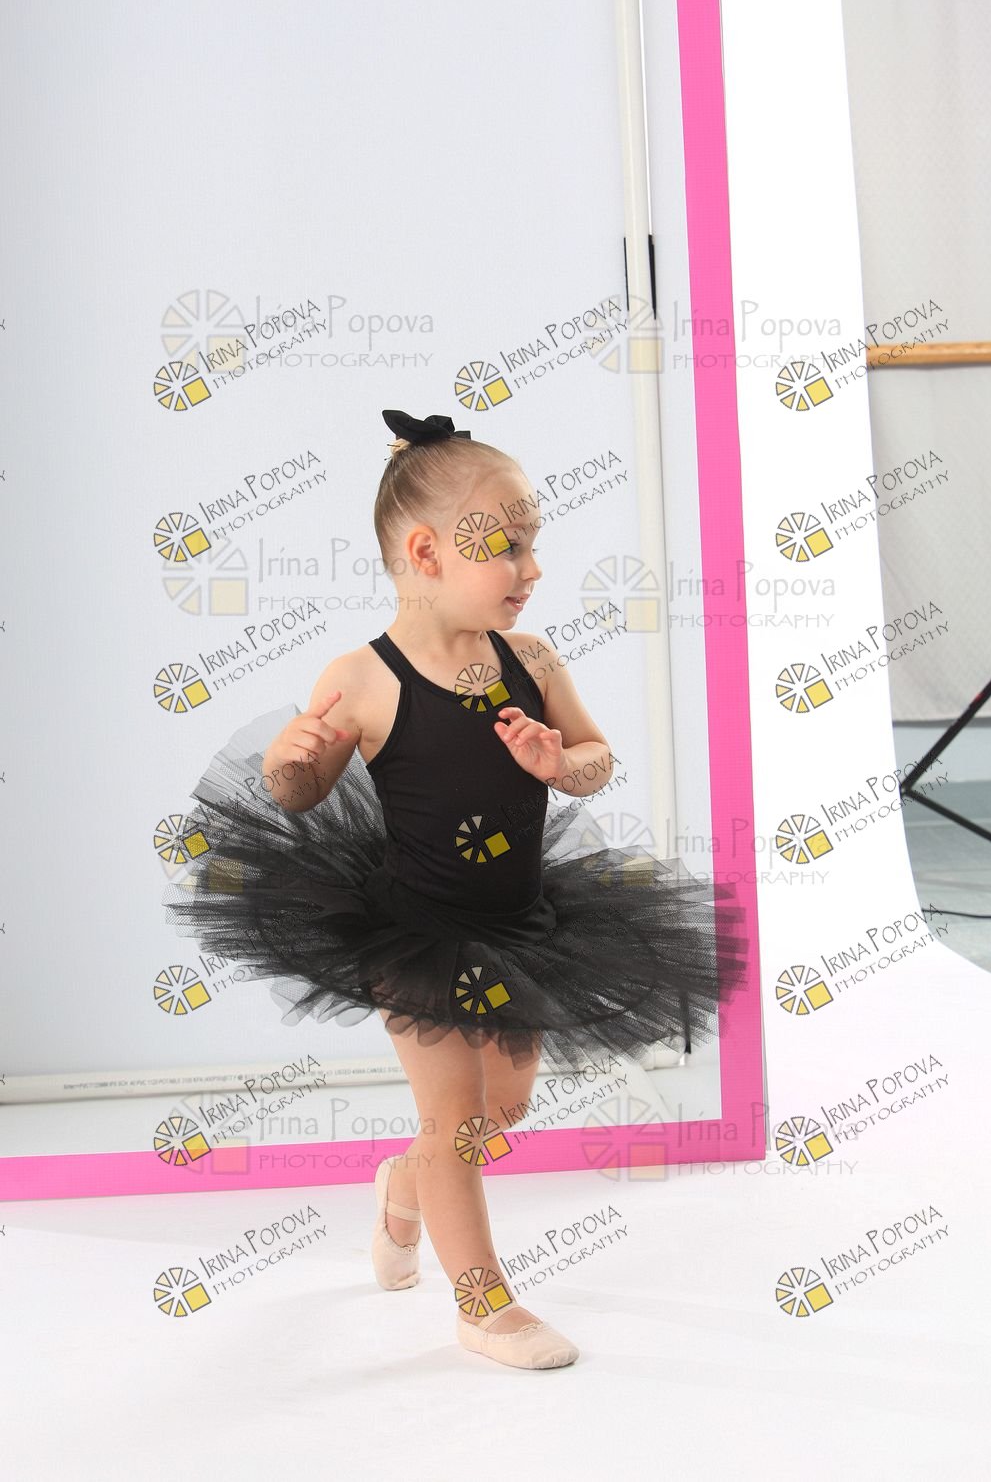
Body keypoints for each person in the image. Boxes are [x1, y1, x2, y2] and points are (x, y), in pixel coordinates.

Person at [163, 407, 749, 1370]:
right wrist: (289, 760)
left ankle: (404, 1185)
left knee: (501, 1108)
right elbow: (301, 794)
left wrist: (562, 762)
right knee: (460, 1124)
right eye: (506, 546)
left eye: (533, 542)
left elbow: (598, 758)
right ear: (427, 552)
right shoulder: (363, 678)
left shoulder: (532, 661)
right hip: (415, 933)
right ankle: (484, 1305)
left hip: (523, 925)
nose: (532, 567)